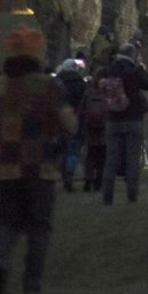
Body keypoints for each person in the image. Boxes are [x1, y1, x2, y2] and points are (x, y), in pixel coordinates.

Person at [0, 26, 77, 294]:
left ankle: (0, 268)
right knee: (39, 226)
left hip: (5, 168)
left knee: (6, 223)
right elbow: (68, 123)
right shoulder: (49, 85)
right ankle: (31, 283)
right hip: (40, 166)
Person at [102, 43, 148, 206]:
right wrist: (139, 66)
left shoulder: (109, 69)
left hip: (113, 119)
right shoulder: (134, 71)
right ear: (133, 55)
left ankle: (107, 197)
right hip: (132, 118)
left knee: (111, 160)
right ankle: (132, 196)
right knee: (132, 160)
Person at [54, 58, 86, 193]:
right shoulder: (81, 83)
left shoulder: (56, 83)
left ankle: (64, 175)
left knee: (61, 150)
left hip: (59, 119)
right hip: (76, 118)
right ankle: (70, 175)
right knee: (74, 150)